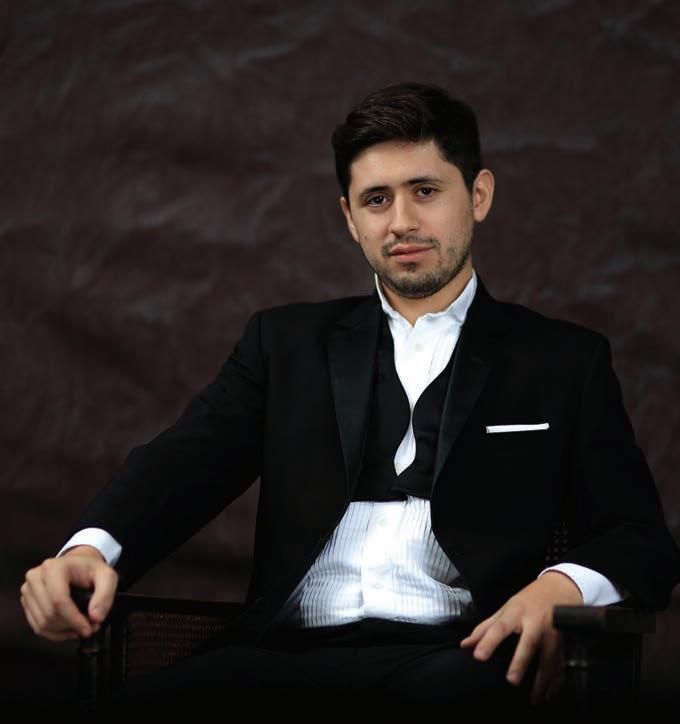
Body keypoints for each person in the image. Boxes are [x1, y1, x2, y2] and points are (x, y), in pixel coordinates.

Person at [20, 82, 680, 716]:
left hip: (462, 656)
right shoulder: (283, 345)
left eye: (425, 191)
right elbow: (184, 464)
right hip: (279, 658)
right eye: (376, 200)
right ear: (349, 218)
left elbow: (639, 537)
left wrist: (563, 585)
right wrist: (87, 551)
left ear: (478, 195)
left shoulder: (562, 361)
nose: (402, 222)